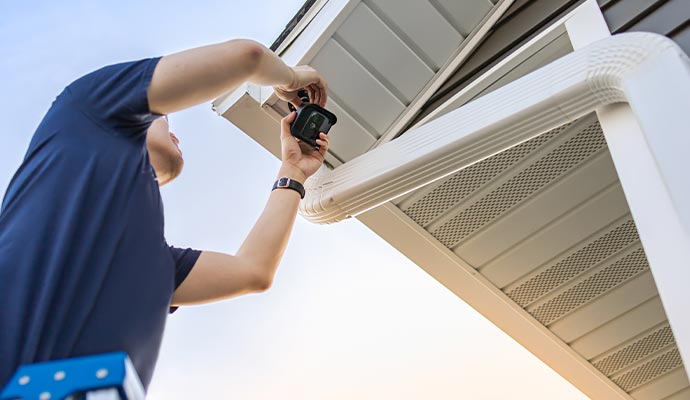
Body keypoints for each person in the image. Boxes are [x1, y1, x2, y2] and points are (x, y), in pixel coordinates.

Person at [0, 39, 329, 390]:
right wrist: (291, 77)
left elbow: (253, 271)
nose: (173, 131)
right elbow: (247, 57)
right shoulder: (82, 109)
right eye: (161, 116)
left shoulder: (154, 263)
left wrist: (292, 170)